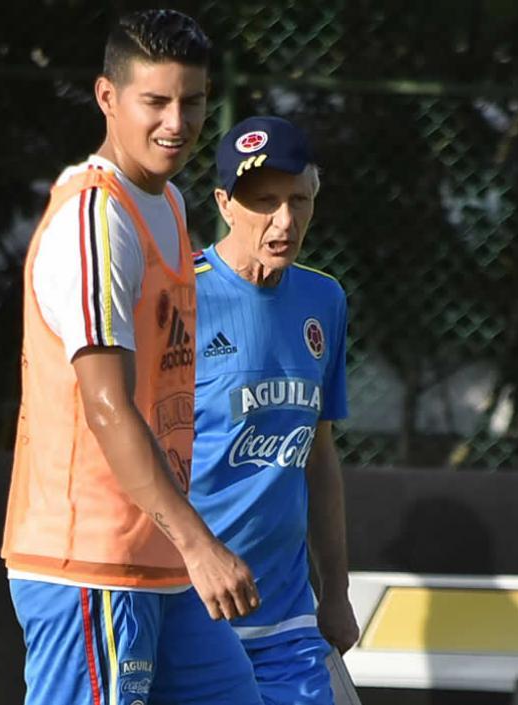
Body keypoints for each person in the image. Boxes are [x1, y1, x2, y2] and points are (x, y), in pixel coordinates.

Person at [0, 10, 264, 705]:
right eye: (156, 101)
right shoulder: (97, 219)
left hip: (156, 556)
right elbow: (108, 402)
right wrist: (202, 544)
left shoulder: (169, 202)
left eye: (193, 100)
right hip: (92, 559)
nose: (177, 121)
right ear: (107, 97)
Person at [188, 115, 359, 705]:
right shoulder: (179, 295)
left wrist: (334, 592)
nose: (284, 221)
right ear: (225, 204)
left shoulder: (324, 299)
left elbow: (319, 452)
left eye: (299, 200)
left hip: (286, 615)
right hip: (191, 611)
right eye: (264, 202)